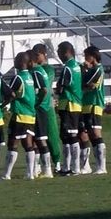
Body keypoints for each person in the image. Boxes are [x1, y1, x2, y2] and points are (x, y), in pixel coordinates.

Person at [2, 52, 36, 180]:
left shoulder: (18, 77)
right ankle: (30, 173)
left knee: (13, 144)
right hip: (30, 115)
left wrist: (1, 105)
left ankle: (7, 174)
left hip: (20, 114)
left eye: (16, 59)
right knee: (28, 144)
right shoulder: (30, 77)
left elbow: (11, 94)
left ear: (21, 62)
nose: (14, 61)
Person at [32, 43, 62, 172]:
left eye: (37, 55)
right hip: (36, 106)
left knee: (52, 134)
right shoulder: (33, 69)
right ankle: (38, 165)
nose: (35, 57)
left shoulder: (48, 69)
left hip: (47, 106)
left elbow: (46, 86)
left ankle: (57, 162)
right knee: (36, 136)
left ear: (44, 54)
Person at [56, 41, 83, 176]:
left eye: (59, 52)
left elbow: (61, 86)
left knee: (70, 136)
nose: (58, 55)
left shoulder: (68, 68)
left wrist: (57, 90)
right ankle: (67, 167)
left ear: (66, 52)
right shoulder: (77, 66)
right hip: (76, 103)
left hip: (69, 104)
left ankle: (74, 167)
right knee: (68, 136)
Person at [27, 50, 54, 178]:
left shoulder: (36, 72)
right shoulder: (39, 70)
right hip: (40, 108)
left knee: (40, 140)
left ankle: (47, 170)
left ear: (30, 61)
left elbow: (43, 90)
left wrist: (37, 103)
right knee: (35, 140)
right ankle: (36, 169)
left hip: (39, 109)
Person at [81, 46, 107, 174]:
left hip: (95, 104)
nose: (85, 58)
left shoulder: (98, 69)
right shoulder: (91, 69)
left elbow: (89, 85)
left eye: (86, 56)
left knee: (96, 133)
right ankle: (92, 166)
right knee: (90, 134)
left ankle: (102, 166)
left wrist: (84, 73)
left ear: (93, 56)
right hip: (86, 105)